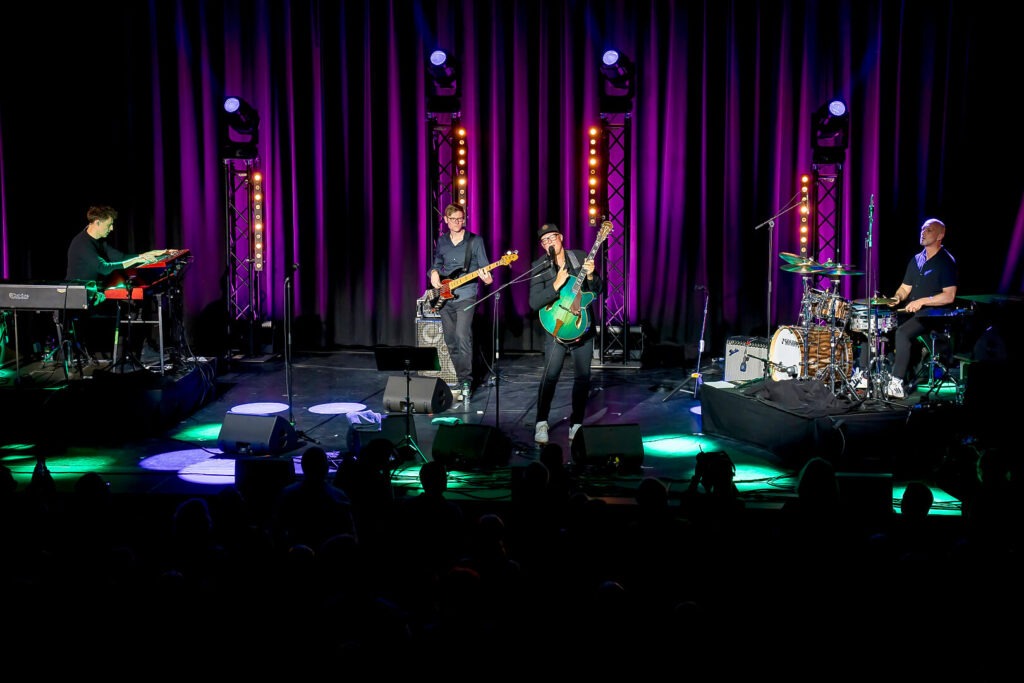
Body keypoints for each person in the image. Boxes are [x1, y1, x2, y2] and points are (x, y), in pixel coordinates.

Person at [528, 222, 602, 445]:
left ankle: (576, 423)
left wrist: (591, 276)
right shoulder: (539, 267)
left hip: (581, 327)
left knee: (582, 378)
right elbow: (534, 302)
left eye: (552, 237)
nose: (549, 242)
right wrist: (555, 285)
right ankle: (541, 422)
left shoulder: (579, 257)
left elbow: (597, 291)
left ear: (561, 237)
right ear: (542, 245)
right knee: (550, 377)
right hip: (556, 329)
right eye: (545, 240)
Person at [882, 218, 958, 398]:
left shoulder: (946, 261)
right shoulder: (916, 259)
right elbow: (904, 288)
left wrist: (923, 301)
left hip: (933, 315)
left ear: (940, 235)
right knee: (879, 325)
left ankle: (896, 382)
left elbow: (949, 295)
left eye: (929, 230)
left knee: (902, 333)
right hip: (913, 313)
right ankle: (867, 374)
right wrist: (896, 298)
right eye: (922, 229)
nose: (923, 233)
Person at [428, 203, 494, 401]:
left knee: (462, 336)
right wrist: (433, 273)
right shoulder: (442, 241)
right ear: (446, 220)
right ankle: (459, 378)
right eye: (454, 219)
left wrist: (487, 278)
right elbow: (436, 264)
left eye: (460, 218)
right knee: (450, 340)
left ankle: (466, 382)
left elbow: (485, 269)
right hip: (445, 296)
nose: (458, 222)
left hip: (466, 295)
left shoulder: (475, 241)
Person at [66, 205, 173, 284]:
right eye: (109, 225)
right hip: (76, 296)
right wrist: (137, 260)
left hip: (92, 291)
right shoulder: (82, 243)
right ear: (97, 223)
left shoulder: (100, 241)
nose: (112, 228)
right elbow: (104, 268)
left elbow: (120, 258)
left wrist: (146, 254)